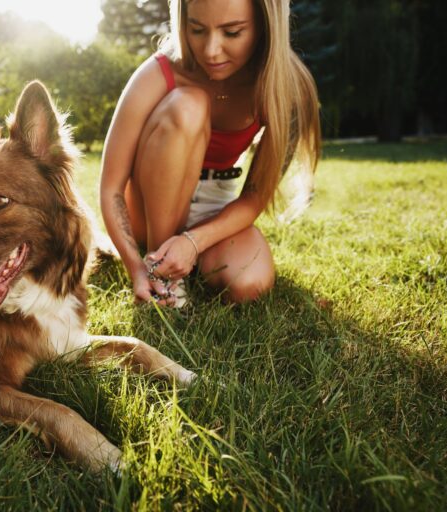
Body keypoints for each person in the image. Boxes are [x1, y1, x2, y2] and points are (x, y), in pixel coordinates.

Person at [99, 0, 321, 306]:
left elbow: (255, 196)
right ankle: (161, 273)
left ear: (266, 27)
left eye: (232, 32)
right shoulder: (158, 73)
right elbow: (111, 188)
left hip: (217, 201)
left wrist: (193, 242)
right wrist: (136, 268)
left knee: (249, 283)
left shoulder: (287, 89)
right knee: (190, 105)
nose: (211, 50)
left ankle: (183, 257)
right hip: (148, 204)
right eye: (197, 30)